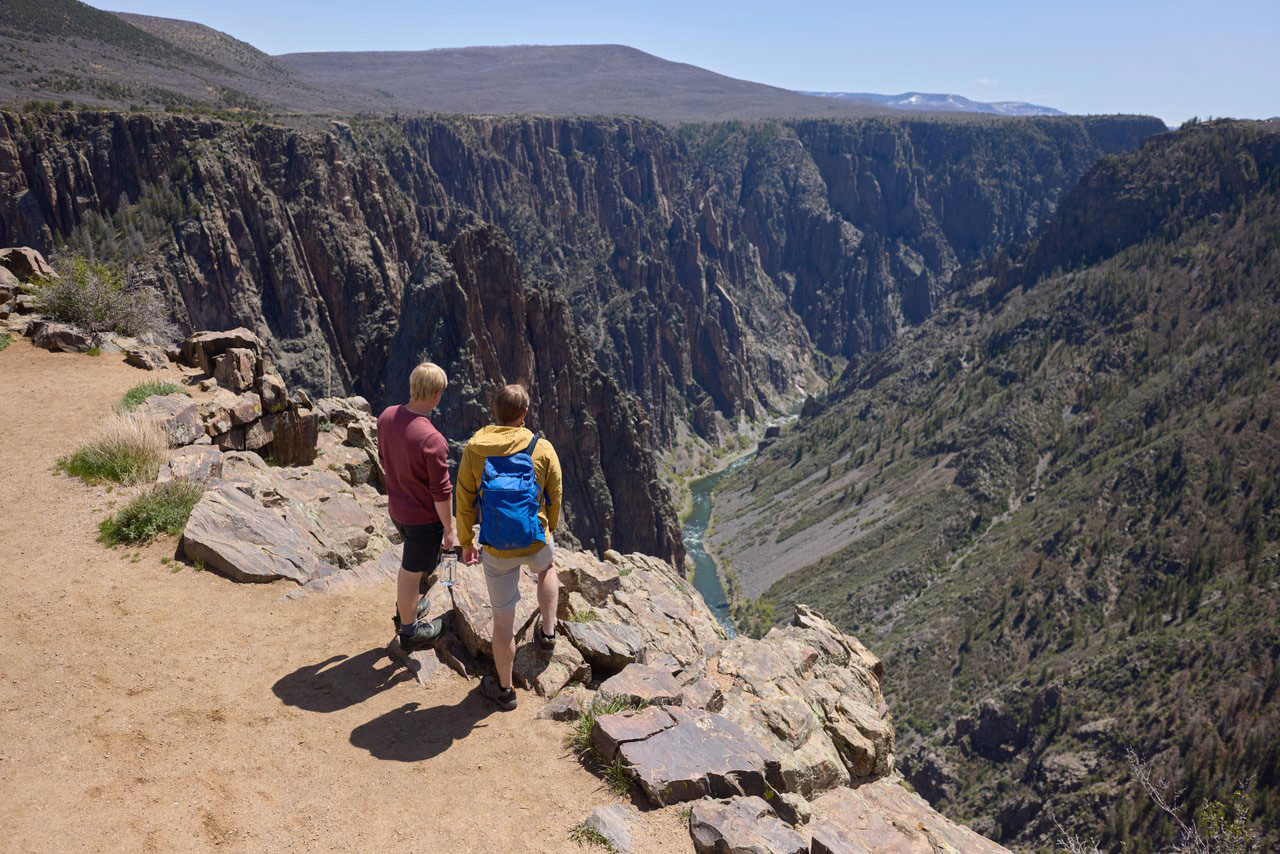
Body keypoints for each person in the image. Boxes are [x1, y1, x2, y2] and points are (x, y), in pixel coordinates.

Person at [457, 383, 563, 711]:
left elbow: (464, 500)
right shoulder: (541, 447)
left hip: (496, 547)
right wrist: (549, 528)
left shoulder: (476, 449)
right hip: (534, 537)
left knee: (503, 620)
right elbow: (556, 493)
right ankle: (547, 635)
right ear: (523, 414)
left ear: (495, 412)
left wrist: (466, 542)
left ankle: (504, 691)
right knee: (546, 569)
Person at [377, 361, 459, 651]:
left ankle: (407, 605)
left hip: (397, 510)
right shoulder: (432, 440)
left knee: (410, 565)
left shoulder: (386, 417)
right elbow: (441, 491)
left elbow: (384, 460)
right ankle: (410, 630)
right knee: (411, 572)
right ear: (437, 393)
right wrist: (449, 529)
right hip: (422, 520)